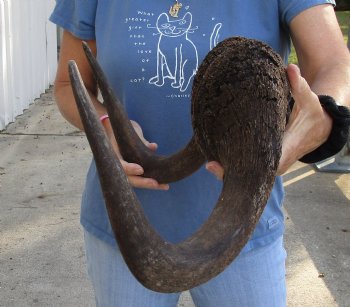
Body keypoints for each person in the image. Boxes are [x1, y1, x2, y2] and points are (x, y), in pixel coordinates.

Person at [50, 1, 350, 306]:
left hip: (243, 227)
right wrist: (107, 126)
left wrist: (321, 116)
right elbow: (67, 84)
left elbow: (334, 63)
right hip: (125, 231)